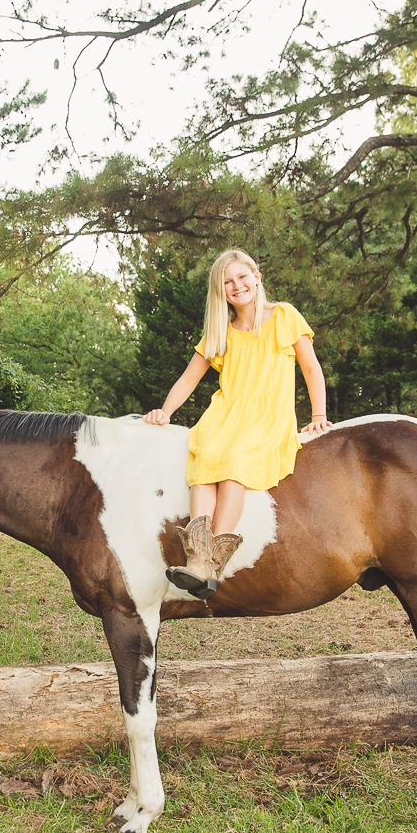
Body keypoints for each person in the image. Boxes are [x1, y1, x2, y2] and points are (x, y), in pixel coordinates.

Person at [142, 248, 332, 597]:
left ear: (257, 277)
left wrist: (317, 415)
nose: (237, 285)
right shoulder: (222, 332)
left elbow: (310, 368)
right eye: (227, 282)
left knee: (234, 463)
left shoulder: (284, 316)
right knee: (204, 457)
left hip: (266, 416)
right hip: (226, 414)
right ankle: (197, 558)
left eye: (242, 277)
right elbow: (188, 379)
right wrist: (165, 411)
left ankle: (212, 560)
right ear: (221, 291)